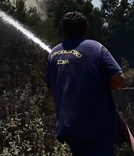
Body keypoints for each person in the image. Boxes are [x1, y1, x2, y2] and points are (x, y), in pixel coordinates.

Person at [47, 12, 126, 156]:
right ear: (86, 31)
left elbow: (52, 90)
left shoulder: (53, 53)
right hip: (96, 125)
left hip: (69, 127)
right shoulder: (96, 47)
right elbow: (119, 79)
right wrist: (101, 86)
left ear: (64, 31)